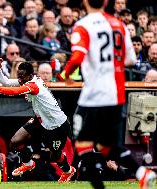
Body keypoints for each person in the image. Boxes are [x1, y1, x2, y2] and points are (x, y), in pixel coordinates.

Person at [62, 0, 156, 189]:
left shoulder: (82, 25)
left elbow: (77, 57)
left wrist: (64, 74)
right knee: (106, 146)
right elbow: (130, 60)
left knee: (82, 144)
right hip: (116, 95)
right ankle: (142, 173)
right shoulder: (118, 24)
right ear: (105, 2)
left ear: (85, 2)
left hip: (93, 95)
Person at [0, 60, 76, 182]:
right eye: (18, 76)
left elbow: (13, 92)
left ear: (30, 76)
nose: (19, 79)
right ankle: (28, 163)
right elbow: (6, 82)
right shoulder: (27, 80)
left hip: (58, 125)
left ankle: (68, 171)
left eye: (22, 76)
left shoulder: (34, 86)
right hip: (40, 120)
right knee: (14, 142)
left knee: (55, 156)